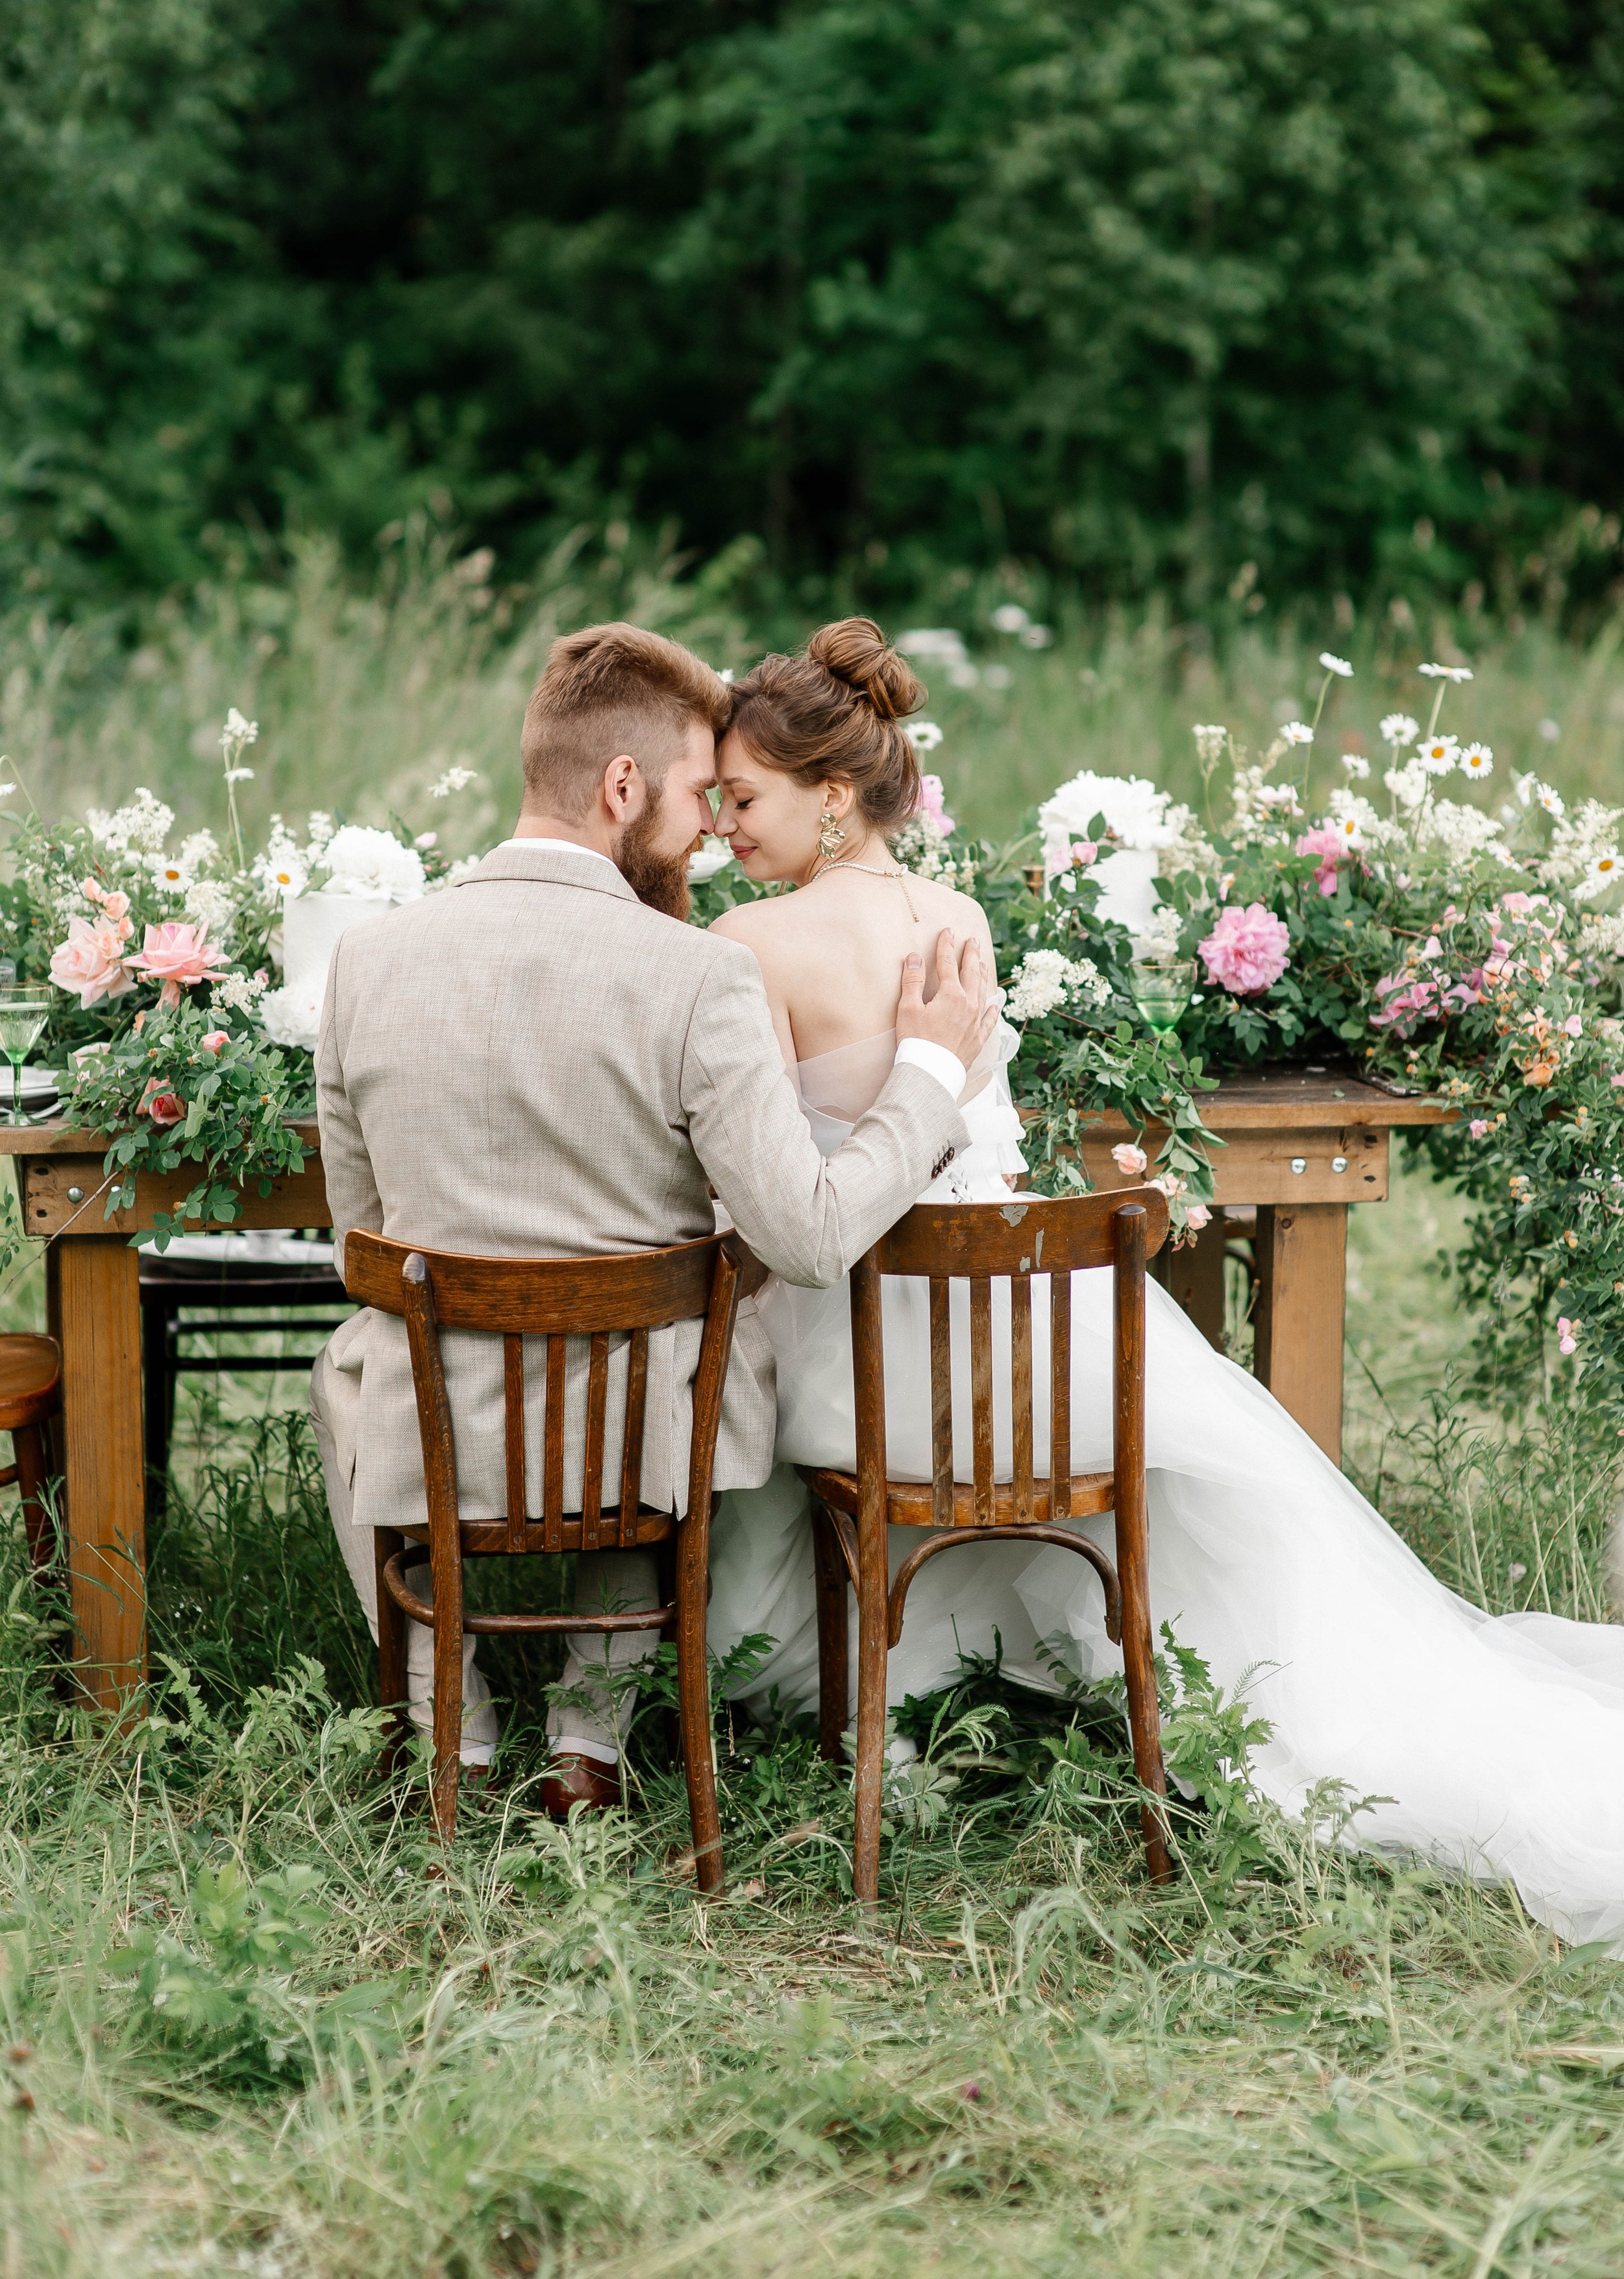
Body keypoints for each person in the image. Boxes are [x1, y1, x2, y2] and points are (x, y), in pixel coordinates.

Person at [702, 616, 1624, 1953]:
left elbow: (771, 1195)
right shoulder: (951, 914)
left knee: (748, 1384)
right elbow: (983, 1149)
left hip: (871, 1352)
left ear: (831, 797)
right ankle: (1151, 1696)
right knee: (1198, 1476)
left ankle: (825, 1707)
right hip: (1024, 1337)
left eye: (744, 796)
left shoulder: (748, 943)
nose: (723, 823)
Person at [306, 620, 997, 1817]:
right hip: (630, 1431)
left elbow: (362, 1237)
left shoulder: (365, 961)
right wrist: (929, 1081)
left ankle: (445, 1734)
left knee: (352, 1361)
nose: (707, 829)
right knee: (654, 1361)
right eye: (692, 794)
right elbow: (812, 1236)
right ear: (623, 785)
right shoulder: (699, 975)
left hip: (436, 1411)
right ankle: (587, 1743)